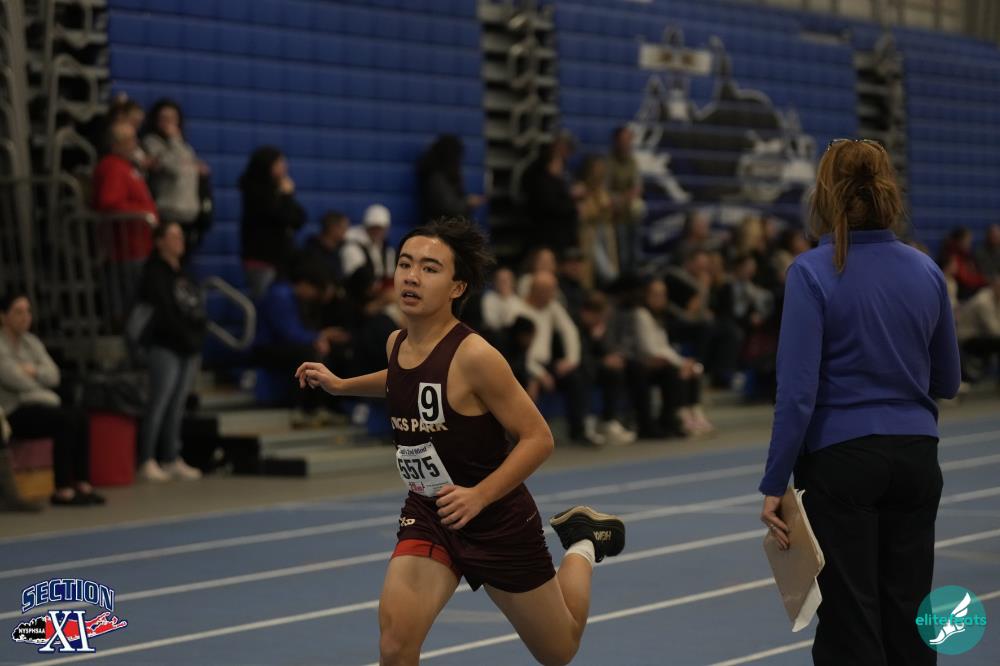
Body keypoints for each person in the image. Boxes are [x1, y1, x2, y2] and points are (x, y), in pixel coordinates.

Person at [295, 217, 625, 666]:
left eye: (429, 268)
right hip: (430, 512)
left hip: (495, 518)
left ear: (456, 287)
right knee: (395, 644)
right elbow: (400, 378)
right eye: (405, 263)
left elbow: (538, 438)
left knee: (559, 650)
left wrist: (479, 496)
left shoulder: (476, 357)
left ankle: (584, 542)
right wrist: (341, 385)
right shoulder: (396, 342)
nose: (411, 276)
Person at [759, 138, 961, 666]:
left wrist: (774, 483)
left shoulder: (811, 271)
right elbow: (948, 380)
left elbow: (797, 395)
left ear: (824, 196)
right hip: (917, 459)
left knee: (851, 627)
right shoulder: (926, 270)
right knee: (913, 621)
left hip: (842, 464)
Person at [0, 294, 104, 506]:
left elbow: (54, 375)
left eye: (28, 311)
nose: (25, 317)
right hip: (13, 412)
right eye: (18, 312)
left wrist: (33, 371)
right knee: (64, 420)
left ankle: (82, 483)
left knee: (80, 416)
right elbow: (15, 380)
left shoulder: (32, 342)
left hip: (40, 405)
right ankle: (62, 489)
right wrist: (43, 387)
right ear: (3, 317)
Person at [135, 222, 207, 482]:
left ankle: (171, 456)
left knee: (177, 405)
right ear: (159, 242)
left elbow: (196, 307)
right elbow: (165, 311)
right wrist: (184, 335)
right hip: (165, 345)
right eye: (173, 236)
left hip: (188, 346)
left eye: (180, 235)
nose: (180, 240)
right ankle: (146, 459)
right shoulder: (154, 273)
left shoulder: (184, 272)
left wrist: (196, 336)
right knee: (159, 402)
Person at [141, 99, 211, 253]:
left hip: (190, 214)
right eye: (164, 118)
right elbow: (174, 168)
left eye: (173, 118)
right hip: (168, 212)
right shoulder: (152, 142)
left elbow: (189, 167)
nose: (169, 123)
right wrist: (174, 140)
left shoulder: (184, 146)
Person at [239, 146, 306, 298]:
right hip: (262, 260)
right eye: (279, 163)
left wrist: (287, 196)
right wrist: (286, 196)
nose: (284, 167)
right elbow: (282, 217)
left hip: (282, 260)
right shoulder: (256, 192)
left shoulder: (278, 190)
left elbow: (298, 219)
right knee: (266, 302)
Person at [417, 134, 484, 222]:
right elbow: (447, 207)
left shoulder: (444, 175)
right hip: (441, 226)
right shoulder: (436, 178)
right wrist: (468, 202)